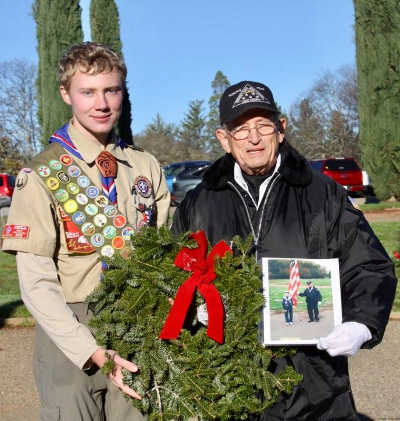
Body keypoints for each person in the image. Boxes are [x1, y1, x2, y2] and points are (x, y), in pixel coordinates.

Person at [171, 80, 397, 420]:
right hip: (229, 385)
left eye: (263, 125)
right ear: (224, 140)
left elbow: (369, 265)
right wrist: (192, 311)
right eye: (242, 129)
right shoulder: (198, 203)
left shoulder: (324, 194)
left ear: (281, 130)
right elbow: (173, 274)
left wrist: (361, 323)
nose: (254, 138)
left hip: (315, 388)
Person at [1, 42, 170, 421]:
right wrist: (87, 348)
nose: (102, 103)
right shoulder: (43, 173)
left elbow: (164, 258)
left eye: (111, 90)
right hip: (71, 334)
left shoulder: (145, 167)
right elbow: (36, 283)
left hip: (137, 329)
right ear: (66, 94)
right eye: (88, 92)